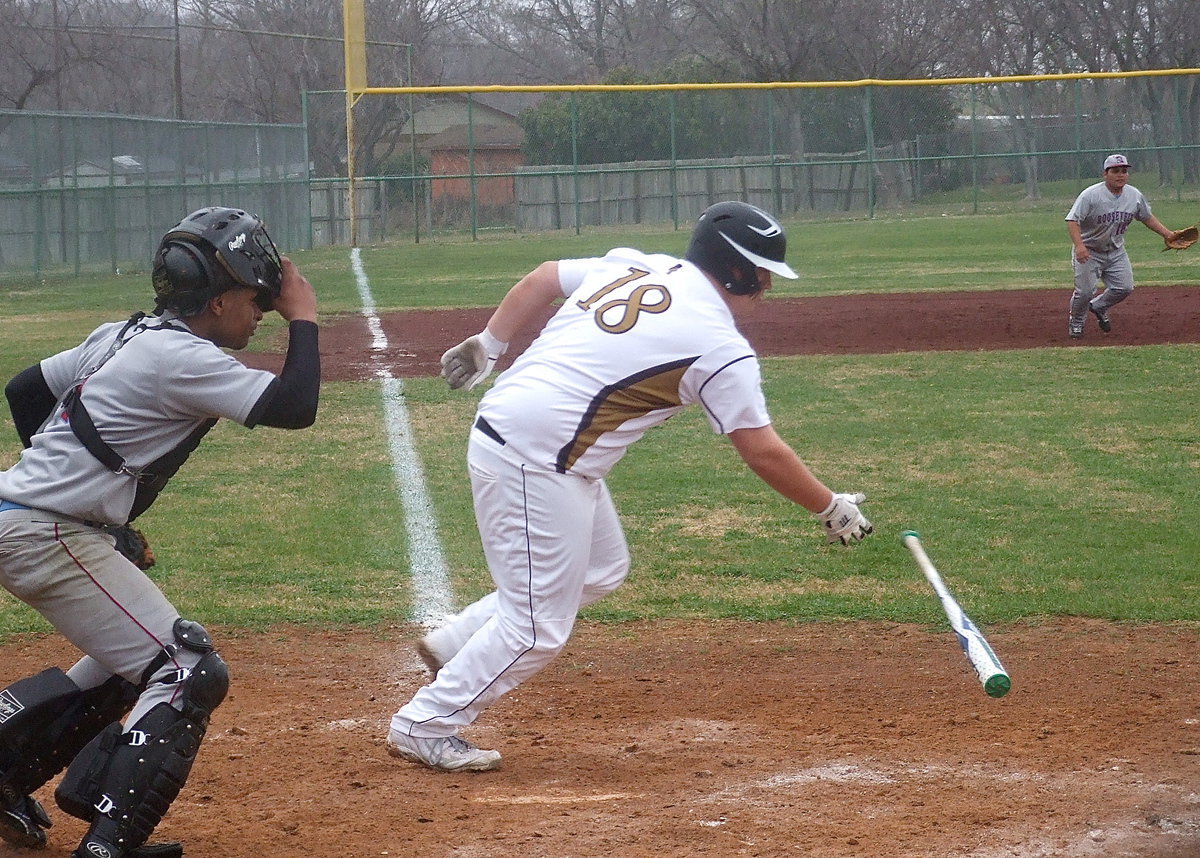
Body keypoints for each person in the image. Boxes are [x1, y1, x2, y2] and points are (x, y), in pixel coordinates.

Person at [385, 200, 873, 773]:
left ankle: (457, 643)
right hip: (538, 456)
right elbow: (761, 449)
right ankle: (425, 723)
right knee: (538, 628)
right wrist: (828, 506)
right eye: (763, 272)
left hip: (533, 442)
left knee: (599, 570)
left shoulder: (637, 265)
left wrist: (490, 343)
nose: (768, 286)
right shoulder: (720, 345)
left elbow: (544, 277)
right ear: (737, 270)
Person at [0, 207, 320, 857]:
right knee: (189, 669)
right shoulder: (181, 358)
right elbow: (295, 405)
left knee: (132, 664)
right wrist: (304, 316)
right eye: (256, 299)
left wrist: (73, 493)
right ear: (221, 298)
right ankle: (108, 846)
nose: (261, 311)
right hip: (45, 532)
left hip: (31, 520)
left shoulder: (125, 335)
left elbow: (25, 390)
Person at [1065, 153, 1182, 339]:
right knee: (1085, 291)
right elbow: (1072, 220)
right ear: (1105, 174)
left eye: (1124, 171)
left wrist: (1167, 234)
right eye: (1115, 171)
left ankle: (1099, 306)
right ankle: (1077, 322)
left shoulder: (1134, 195)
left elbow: (1146, 217)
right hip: (1089, 251)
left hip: (1116, 251)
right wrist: (1079, 246)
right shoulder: (1090, 195)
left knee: (1124, 288)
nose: (1121, 175)